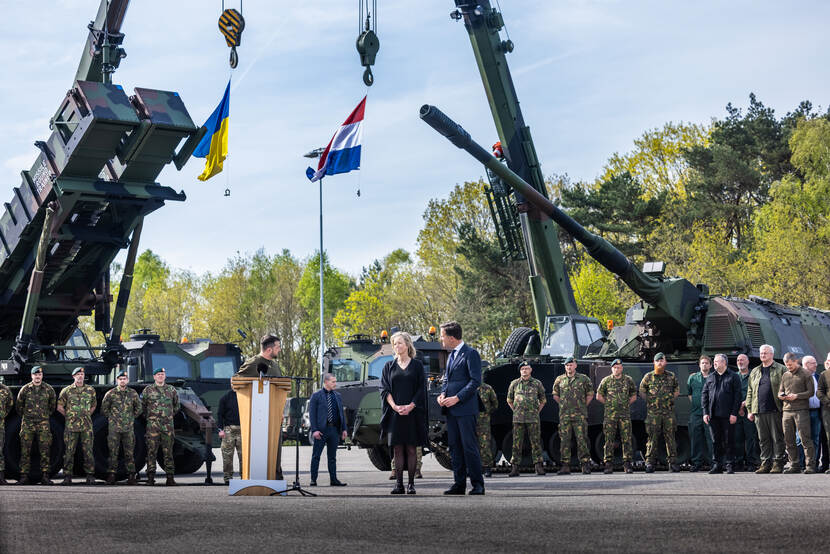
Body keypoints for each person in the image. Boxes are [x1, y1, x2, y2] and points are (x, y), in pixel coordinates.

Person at [437, 321, 484, 495]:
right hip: (451, 411)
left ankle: (478, 484)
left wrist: (457, 398)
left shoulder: (470, 354)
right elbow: (447, 380)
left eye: (442, 336)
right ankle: (459, 484)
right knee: (454, 447)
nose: (441, 340)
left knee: (469, 447)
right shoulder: (451, 356)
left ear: (451, 337)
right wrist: (442, 394)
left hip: (465, 409)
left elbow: (475, 381)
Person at [380, 331, 428, 494]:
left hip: (412, 413)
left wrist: (411, 406)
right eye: (394, 344)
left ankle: (411, 484)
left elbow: (421, 389)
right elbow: (384, 389)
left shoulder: (417, 366)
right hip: (395, 414)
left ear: (407, 345)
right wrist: (394, 406)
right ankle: (399, 484)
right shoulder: (388, 366)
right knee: (397, 449)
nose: (396, 346)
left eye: (399, 343)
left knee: (411, 449)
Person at [745, 344, 786, 473]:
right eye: (761, 353)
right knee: (763, 439)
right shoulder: (755, 371)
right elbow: (750, 391)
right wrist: (750, 410)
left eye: (765, 353)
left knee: (777, 438)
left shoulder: (781, 369)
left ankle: (778, 463)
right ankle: (765, 463)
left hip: (775, 409)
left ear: (772, 355)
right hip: (759, 411)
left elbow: (786, 388)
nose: (763, 355)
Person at [640, 352, 680, 473]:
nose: (660, 363)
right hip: (653, 414)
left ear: (665, 362)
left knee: (670, 438)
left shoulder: (671, 376)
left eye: (662, 360)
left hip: (668, 413)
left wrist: (669, 400)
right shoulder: (648, 377)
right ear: (654, 362)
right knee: (652, 438)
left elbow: (677, 390)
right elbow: (642, 391)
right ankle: (650, 463)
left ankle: (672, 463)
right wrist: (651, 402)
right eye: (658, 361)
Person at [701, 354, 741, 474]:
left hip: (728, 415)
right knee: (715, 441)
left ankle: (729, 464)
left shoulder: (733, 376)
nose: (715, 364)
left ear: (724, 363)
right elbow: (705, 395)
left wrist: (734, 413)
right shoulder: (710, 377)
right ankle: (717, 465)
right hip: (713, 416)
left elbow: (737, 396)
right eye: (714, 362)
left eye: (717, 362)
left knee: (729, 440)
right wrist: (705, 412)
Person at [596, 359, 637, 474]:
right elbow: (598, 396)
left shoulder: (628, 380)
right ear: (611, 369)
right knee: (609, 440)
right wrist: (609, 404)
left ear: (622, 368)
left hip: (624, 415)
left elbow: (634, 396)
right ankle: (608, 464)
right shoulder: (606, 381)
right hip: (610, 416)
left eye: (618, 367)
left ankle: (627, 464)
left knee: (626, 439)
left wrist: (625, 404)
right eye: (614, 367)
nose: (616, 369)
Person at [101, 370, 142, 485]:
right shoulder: (111, 393)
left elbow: (139, 408)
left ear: (127, 380)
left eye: (124, 379)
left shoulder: (132, 393)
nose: (122, 380)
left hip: (128, 428)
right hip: (114, 429)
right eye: (120, 379)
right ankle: (112, 475)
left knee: (129, 453)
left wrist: (131, 418)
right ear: (117, 380)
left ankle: (131, 476)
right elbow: (104, 409)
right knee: (113, 452)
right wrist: (112, 419)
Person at [553, 356, 593, 475]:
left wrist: (582, 406)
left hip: (579, 415)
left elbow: (590, 394)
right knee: (565, 441)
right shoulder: (560, 380)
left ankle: (585, 464)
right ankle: (565, 465)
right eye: (567, 365)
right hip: (564, 415)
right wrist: (564, 405)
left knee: (582, 439)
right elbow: (555, 395)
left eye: (571, 365)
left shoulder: (583, 379)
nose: (569, 367)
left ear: (575, 365)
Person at [57, 367, 97, 485]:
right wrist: (69, 416)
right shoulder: (67, 391)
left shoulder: (90, 390)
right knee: (69, 452)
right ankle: (67, 476)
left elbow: (94, 405)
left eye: (82, 374)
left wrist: (87, 414)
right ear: (73, 376)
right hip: (71, 426)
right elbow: (59, 407)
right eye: (78, 374)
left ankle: (90, 476)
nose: (80, 376)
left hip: (86, 426)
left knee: (88, 451)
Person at [17, 366, 56, 485]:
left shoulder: (49, 389)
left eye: (39, 374)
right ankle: (24, 476)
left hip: (43, 423)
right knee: (25, 450)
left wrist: (43, 416)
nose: (37, 376)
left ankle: (45, 476)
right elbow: (19, 406)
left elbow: (52, 406)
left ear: (42, 376)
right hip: (28, 423)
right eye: (35, 374)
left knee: (45, 450)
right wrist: (28, 417)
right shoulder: (25, 389)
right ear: (32, 376)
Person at [141, 367, 180, 486]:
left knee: (168, 451)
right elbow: (142, 407)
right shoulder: (148, 390)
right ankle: (150, 477)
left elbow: (176, 406)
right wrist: (151, 418)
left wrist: (167, 416)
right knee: (151, 451)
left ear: (165, 376)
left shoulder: (171, 390)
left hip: (167, 426)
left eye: (162, 374)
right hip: (153, 426)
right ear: (154, 377)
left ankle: (170, 477)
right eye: (158, 374)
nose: (160, 376)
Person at [779, 352, 816, 473]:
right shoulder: (785, 375)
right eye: (786, 364)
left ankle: (810, 465)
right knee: (788, 440)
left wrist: (797, 396)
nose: (788, 367)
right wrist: (781, 396)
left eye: (790, 364)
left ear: (796, 361)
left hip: (801, 410)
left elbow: (810, 392)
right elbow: (780, 391)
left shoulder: (806, 374)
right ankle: (794, 465)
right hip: (787, 411)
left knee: (805, 438)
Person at [308, 373, 348, 486]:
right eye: (333, 382)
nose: (335, 384)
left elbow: (341, 413)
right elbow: (312, 415)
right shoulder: (316, 396)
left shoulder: (337, 396)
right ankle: (313, 479)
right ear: (326, 382)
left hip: (334, 430)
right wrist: (314, 430)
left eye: (335, 381)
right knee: (316, 456)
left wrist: (344, 429)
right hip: (321, 431)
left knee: (332, 457)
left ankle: (333, 480)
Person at [507, 363, 546, 476]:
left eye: (526, 369)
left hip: (533, 418)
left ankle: (538, 466)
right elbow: (509, 400)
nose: (524, 371)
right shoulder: (514, 384)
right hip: (518, 418)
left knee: (535, 442)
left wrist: (536, 411)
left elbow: (543, 400)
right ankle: (515, 468)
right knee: (517, 443)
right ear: (520, 371)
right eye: (522, 369)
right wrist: (516, 411)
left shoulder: (537, 383)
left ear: (531, 370)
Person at [687, 356, 714, 471]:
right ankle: (696, 462)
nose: (704, 365)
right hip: (696, 413)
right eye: (702, 363)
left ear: (710, 365)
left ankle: (713, 462)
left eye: (706, 363)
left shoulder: (714, 378)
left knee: (711, 438)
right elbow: (690, 394)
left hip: (711, 413)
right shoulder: (693, 378)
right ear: (699, 365)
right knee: (696, 438)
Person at [734, 354, 761, 471]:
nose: (740, 362)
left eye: (742, 360)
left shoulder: (754, 375)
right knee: (737, 438)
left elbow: (756, 392)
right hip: (736, 411)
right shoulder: (734, 376)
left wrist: (744, 403)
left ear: (748, 362)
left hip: (750, 410)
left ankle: (751, 462)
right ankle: (739, 462)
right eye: (738, 360)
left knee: (751, 438)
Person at [795, 355, 821, 472]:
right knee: (801, 439)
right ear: (806, 365)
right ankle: (800, 463)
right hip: (802, 412)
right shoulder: (798, 377)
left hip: (816, 412)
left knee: (815, 438)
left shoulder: (818, 377)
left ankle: (812, 464)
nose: (816, 365)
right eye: (813, 363)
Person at [217, 387, 243, 485]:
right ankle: (228, 478)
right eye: (232, 382)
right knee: (227, 455)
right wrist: (220, 430)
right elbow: (220, 414)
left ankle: (244, 476)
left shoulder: (246, 397)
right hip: (229, 430)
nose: (234, 384)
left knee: (244, 455)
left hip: (243, 429)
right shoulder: (225, 398)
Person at [477, 381, 498, 478]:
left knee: (485, 444)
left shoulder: (487, 388)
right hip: (469, 420)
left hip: (483, 421)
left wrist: (486, 413)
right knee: (469, 444)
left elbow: (495, 404)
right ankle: (471, 467)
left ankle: (487, 468)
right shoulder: (466, 388)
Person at [816, 353, 830, 473]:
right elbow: (819, 392)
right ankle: (826, 464)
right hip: (827, 411)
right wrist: (828, 402)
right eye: (828, 360)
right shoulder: (824, 375)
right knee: (826, 438)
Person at [0, 380, 12, 485]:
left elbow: (9, 405)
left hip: (0, 426)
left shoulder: (5, 390)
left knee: (0, 451)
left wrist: (2, 415)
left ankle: (1, 477)